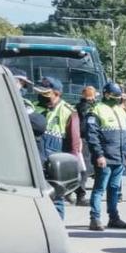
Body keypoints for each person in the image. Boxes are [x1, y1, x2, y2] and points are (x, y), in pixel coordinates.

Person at [32, 77, 81, 220]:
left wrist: (72, 168)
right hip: (35, 161)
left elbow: (74, 144)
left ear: (57, 93)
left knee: (56, 200)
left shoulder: (68, 112)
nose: (41, 96)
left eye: (45, 93)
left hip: (55, 164)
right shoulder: (34, 107)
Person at [86, 82, 126, 231]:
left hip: (119, 158)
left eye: (120, 96)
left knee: (114, 189)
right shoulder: (96, 111)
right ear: (106, 94)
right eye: (115, 96)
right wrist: (99, 155)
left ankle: (114, 218)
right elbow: (92, 136)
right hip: (104, 158)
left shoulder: (121, 111)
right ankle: (95, 218)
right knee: (99, 189)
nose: (118, 99)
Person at [73, 85, 98, 206]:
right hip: (85, 140)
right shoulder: (87, 108)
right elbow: (84, 126)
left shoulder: (79, 106)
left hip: (82, 139)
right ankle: (80, 196)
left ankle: (77, 193)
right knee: (84, 170)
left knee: (85, 168)